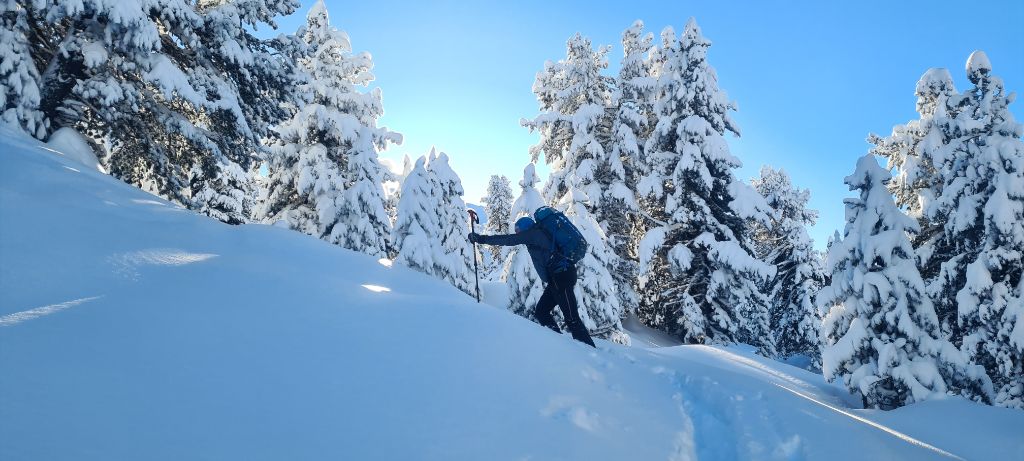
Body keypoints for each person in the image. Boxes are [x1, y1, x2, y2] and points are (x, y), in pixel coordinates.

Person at [469, 216, 596, 347]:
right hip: (556, 279)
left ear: (525, 227)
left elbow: (509, 239)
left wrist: (482, 239)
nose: (518, 233)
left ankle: (588, 351)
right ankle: (557, 342)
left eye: (518, 230)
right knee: (541, 312)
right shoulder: (537, 235)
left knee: (572, 318)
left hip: (561, 276)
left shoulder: (533, 234)